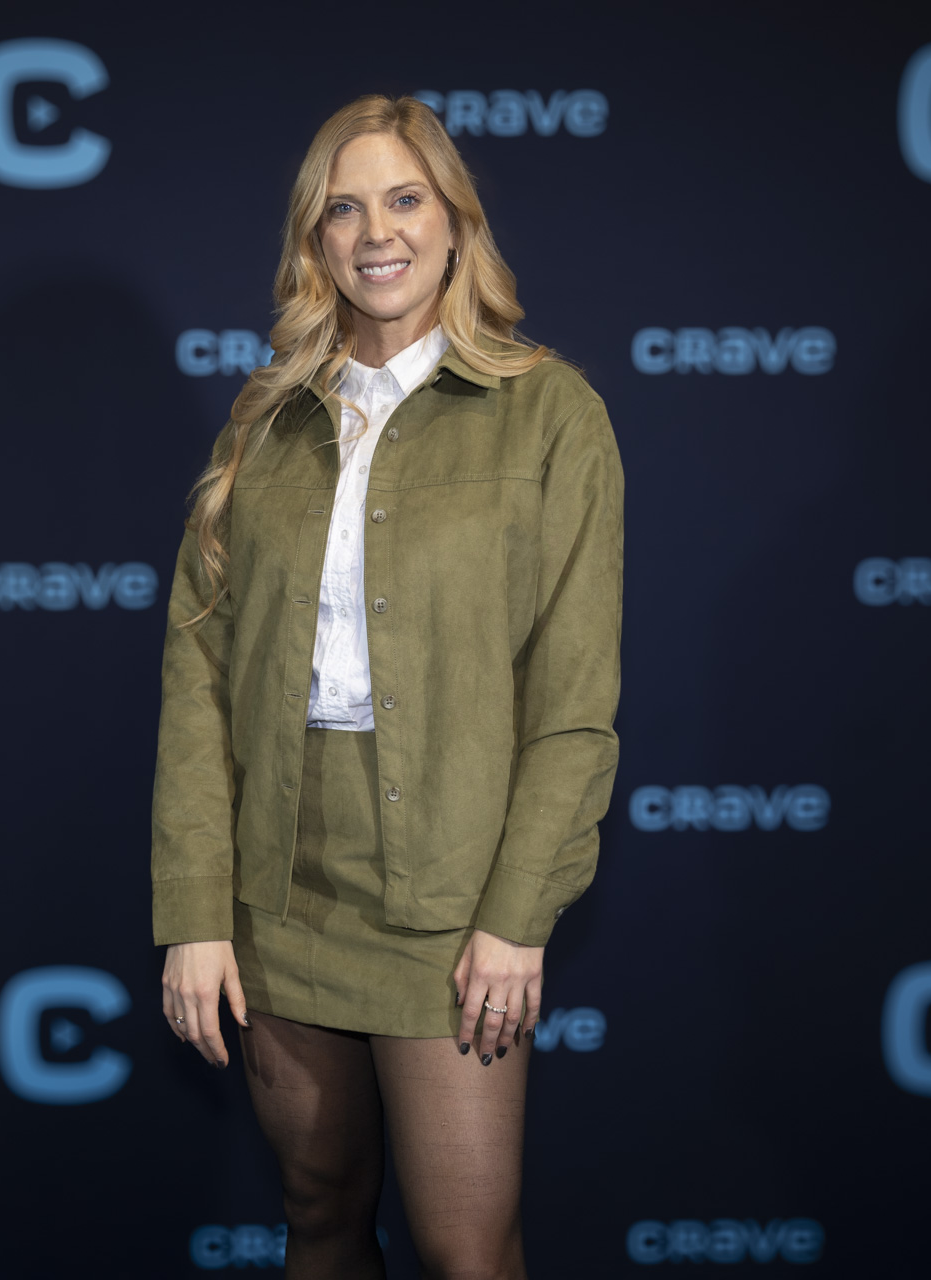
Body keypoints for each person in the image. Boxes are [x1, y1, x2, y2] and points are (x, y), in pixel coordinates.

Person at [150, 93, 622, 1279]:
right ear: (315, 237)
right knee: (318, 1214)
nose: (377, 233)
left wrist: (517, 915)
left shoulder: (550, 412)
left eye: (405, 199)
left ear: (456, 219)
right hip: (282, 888)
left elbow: (572, 701)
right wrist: (198, 909)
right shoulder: (263, 422)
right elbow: (198, 680)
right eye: (344, 208)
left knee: (468, 1249)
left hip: (455, 897)